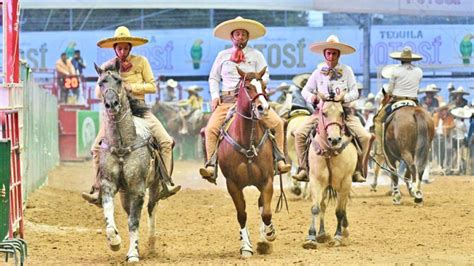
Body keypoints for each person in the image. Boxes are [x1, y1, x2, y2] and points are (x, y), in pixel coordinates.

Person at [82, 26, 180, 205]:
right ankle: (97, 189)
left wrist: (131, 87)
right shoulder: (107, 67)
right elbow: (98, 93)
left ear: (130, 48)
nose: (122, 51)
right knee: (96, 148)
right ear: (114, 48)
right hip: (116, 116)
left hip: (141, 110)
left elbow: (152, 86)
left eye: (125, 48)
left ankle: (166, 182)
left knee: (166, 141)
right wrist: (111, 86)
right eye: (119, 48)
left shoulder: (141, 62)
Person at [199, 16, 291, 183]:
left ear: (248, 37)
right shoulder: (222, 55)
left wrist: (257, 85)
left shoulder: (256, 55)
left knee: (277, 123)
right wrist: (214, 96)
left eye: (243, 34)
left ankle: (280, 160)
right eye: (237, 34)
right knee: (211, 129)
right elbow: (213, 78)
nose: (240, 37)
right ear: (231, 37)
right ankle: (211, 165)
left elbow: (266, 75)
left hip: (252, 100)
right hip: (227, 101)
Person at [292, 35, 373, 182]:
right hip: (322, 113)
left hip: (343, 112)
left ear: (339, 54)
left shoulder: (347, 71)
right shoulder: (317, 73)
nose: (331, 56)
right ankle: (303, 168)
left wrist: (344, 98)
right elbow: (305, 91)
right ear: (324, 54)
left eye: (334, 53)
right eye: (328, 53)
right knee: (299, 134)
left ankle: (358, 170)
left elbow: (355, 92)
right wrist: (313, 98)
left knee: (366, 137)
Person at [373, 46, 423, 163]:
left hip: (397, 100)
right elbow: (417, 88)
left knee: (378, 120)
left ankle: (379, 149)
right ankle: (427, 146)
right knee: (425, 117)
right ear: (411, 59)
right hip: (413, 101)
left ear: (400, 59)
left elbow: (390, 90)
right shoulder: (419, 71)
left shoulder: (395, 71)